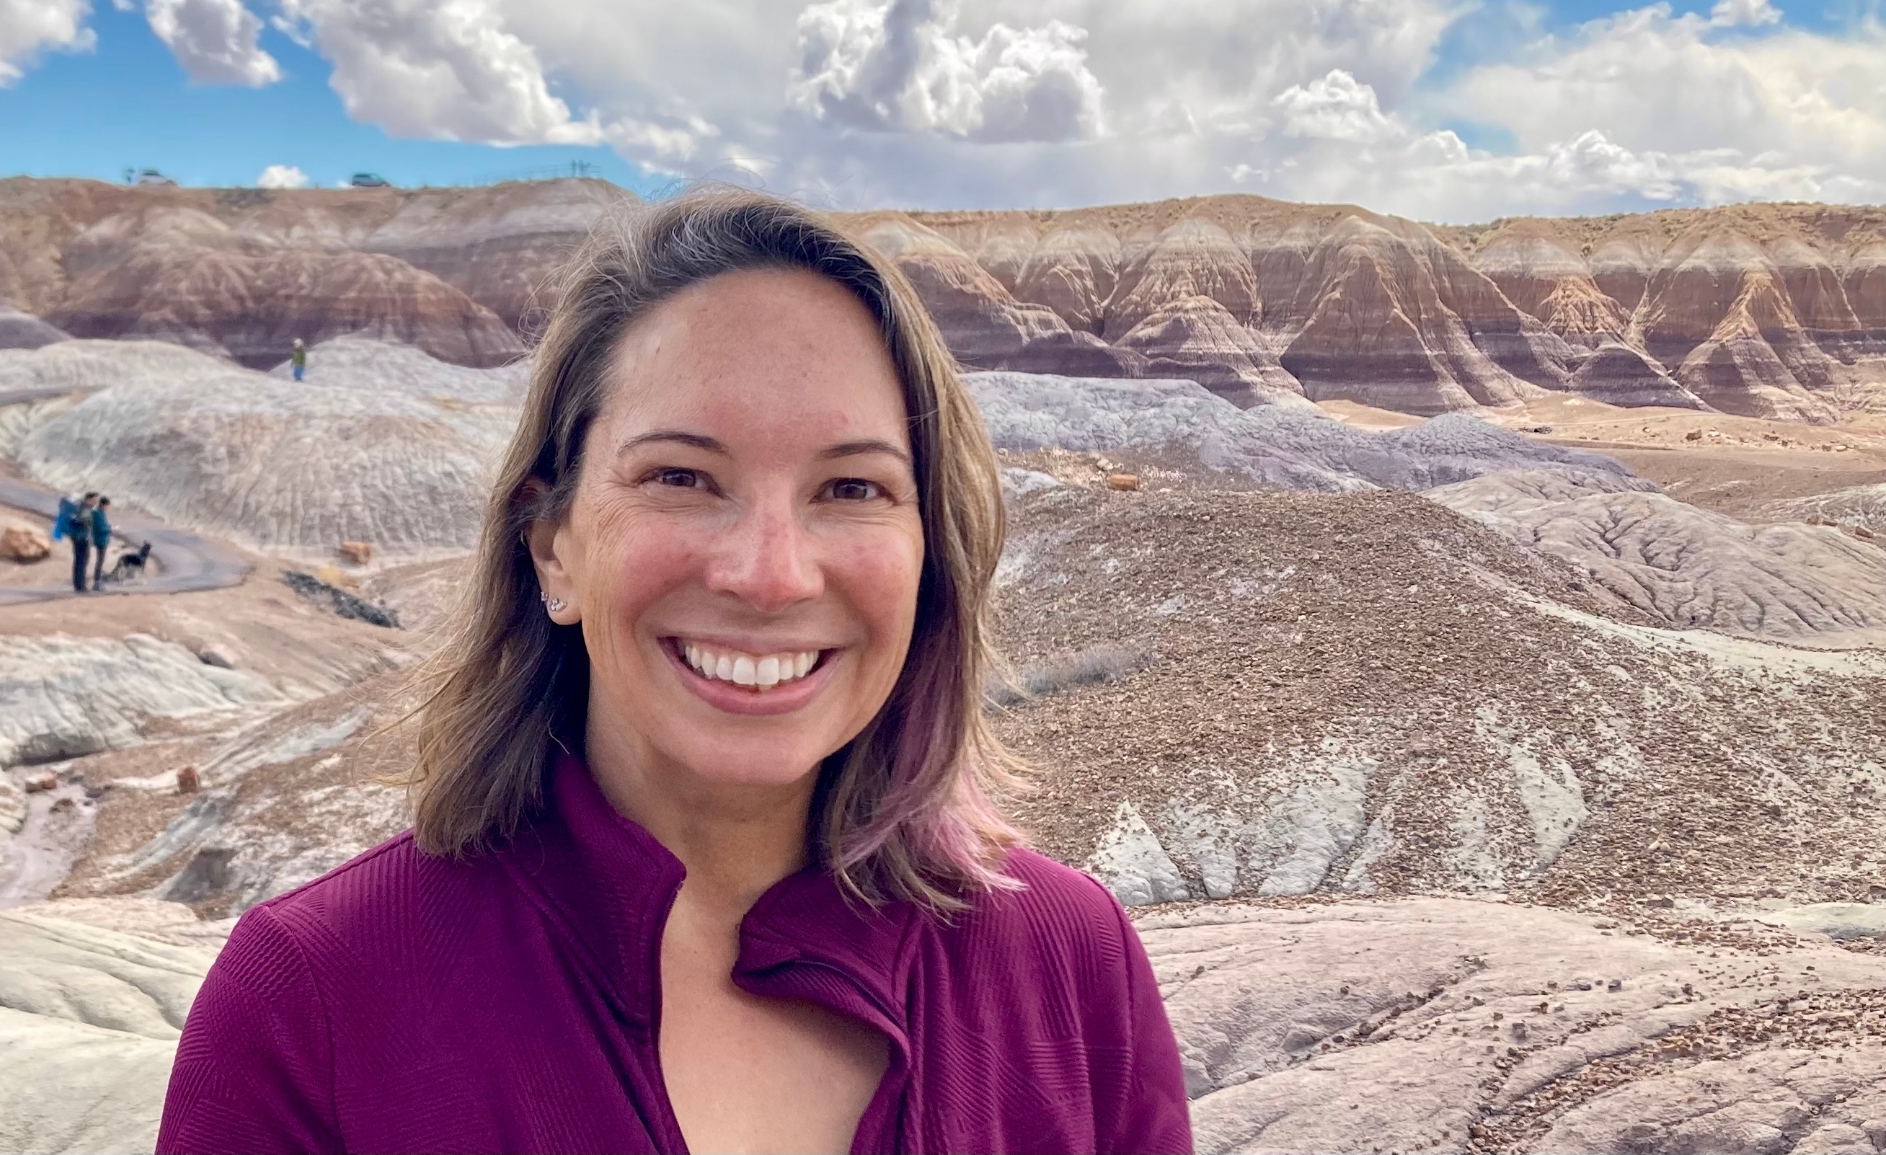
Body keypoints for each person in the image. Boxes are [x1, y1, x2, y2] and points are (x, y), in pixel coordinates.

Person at [157, 191, 1192, 1155]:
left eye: (851, 487)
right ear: (552, 544)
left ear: (929, 556)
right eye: (682, 478)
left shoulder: (1067, 964)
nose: (769, 575)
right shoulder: (317, 1003)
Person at [61, 492, 97, 594]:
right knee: (82, 561)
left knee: (78, 561)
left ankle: (78, 585)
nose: (96, 502)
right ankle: (81, 586)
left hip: (77, 537)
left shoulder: (80, 506)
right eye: (95, 500)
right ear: (89, 499)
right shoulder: (85, 508)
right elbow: (83, 520)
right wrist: (90, 522)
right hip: (82, 538)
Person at [89, 496, 113, 591]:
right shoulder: (97, 514)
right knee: (100, 561)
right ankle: (97, 582)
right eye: (107, 506)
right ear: (103, 505)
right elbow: (101, 528)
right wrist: (111, 529)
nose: (107, 508)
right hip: (100, 540)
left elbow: (104, 525)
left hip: (102, 539)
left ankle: (98, 581)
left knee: (101, 561)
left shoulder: (100, 513)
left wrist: (109, 527)